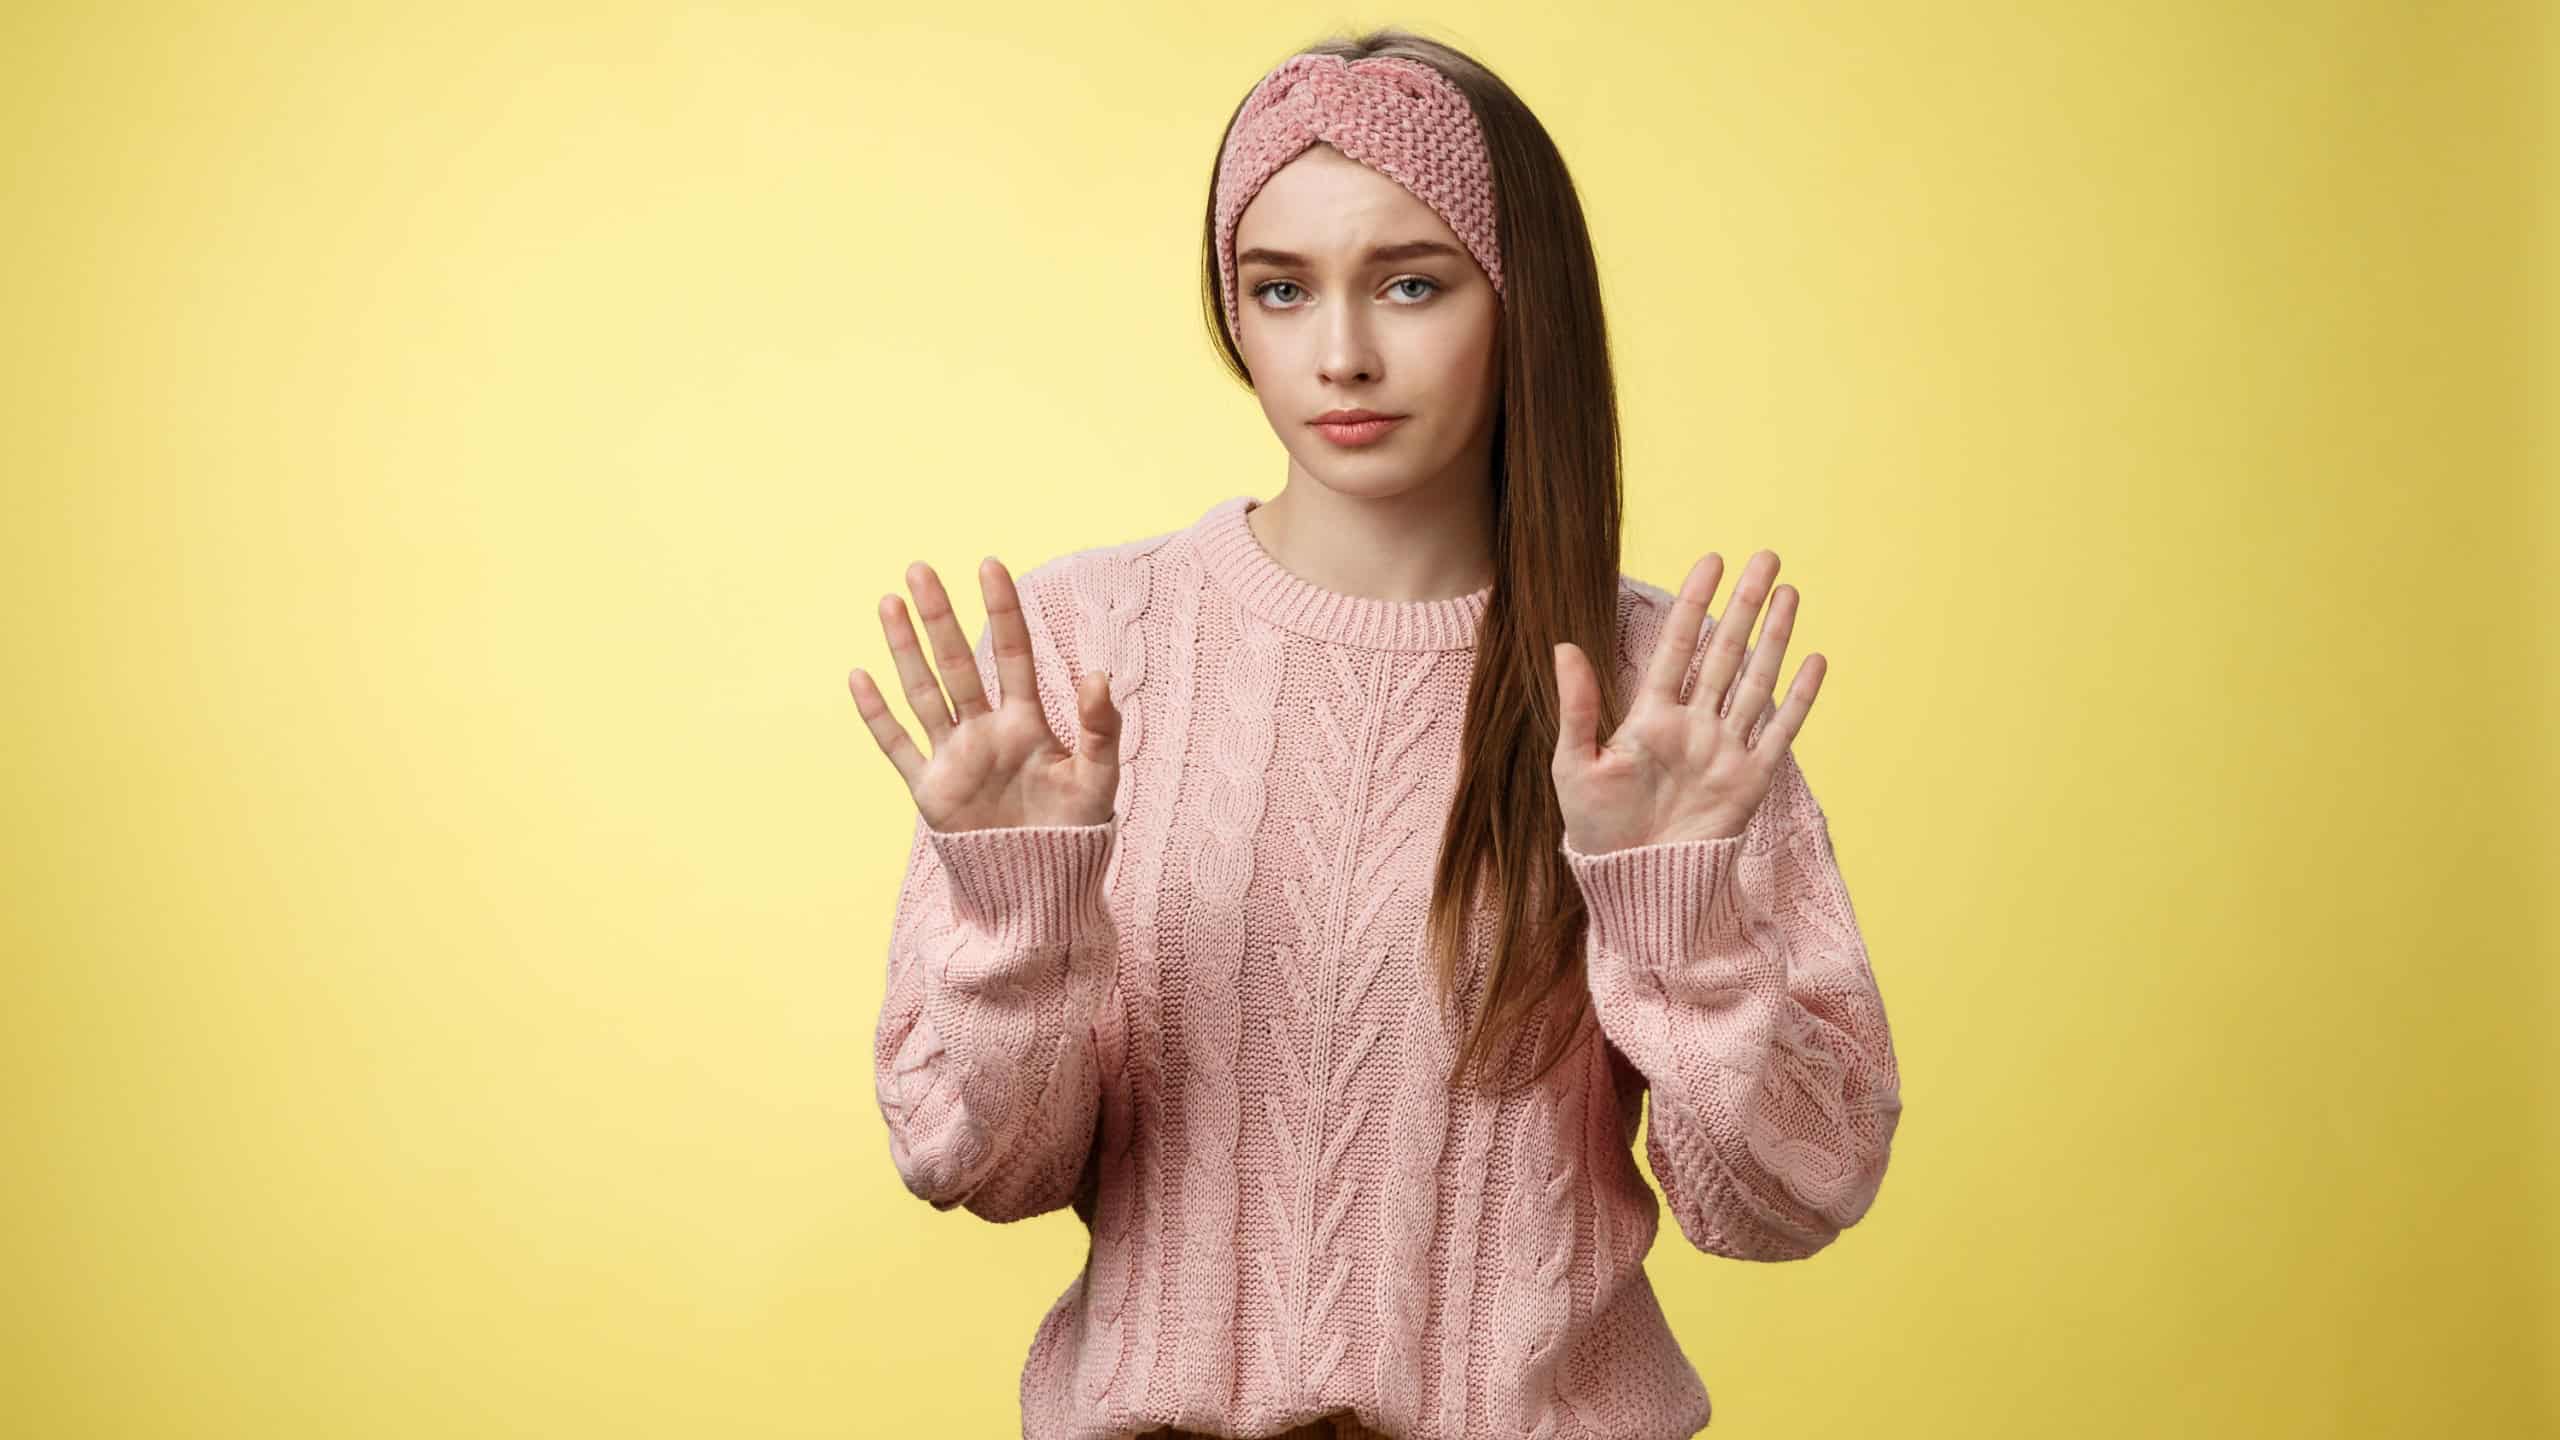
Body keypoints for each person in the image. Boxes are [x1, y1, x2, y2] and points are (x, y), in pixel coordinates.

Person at [848, 28, 1903, 1440]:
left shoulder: (1656, 696)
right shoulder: (1085, 647)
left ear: (1520, 303)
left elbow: (1792, 1198)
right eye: (1281, 289)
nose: (1340, 356)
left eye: (1412, 283)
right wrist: (1021, 915)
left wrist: (1678, 918)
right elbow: (975, 1165)